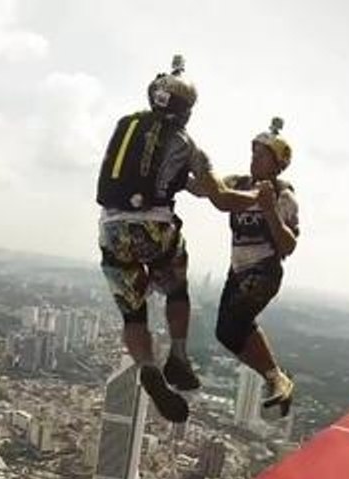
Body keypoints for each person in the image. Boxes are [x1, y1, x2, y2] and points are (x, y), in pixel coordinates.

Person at [95, 55, 262, 423]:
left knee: (133, 314)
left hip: (111, 229)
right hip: (155, 230)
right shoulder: (187, 145)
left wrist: (217, 183)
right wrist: (256, 196)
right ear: (187, 110)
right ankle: (179, 354)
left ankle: (147, 367)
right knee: (176, 289)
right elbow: (219, 197)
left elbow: (179, 182)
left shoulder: (127, 127)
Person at [213, 117, 300, 416]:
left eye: (262, 155)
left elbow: (288, 246)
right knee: (226, 332)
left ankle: (276, 378)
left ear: (277, 164)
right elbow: (211, 189)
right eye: (253, 153)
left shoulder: (284, 196)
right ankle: (276, 377)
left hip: (263, 270)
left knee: (237, 319)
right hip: (237, 270)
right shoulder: (239, 184)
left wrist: (269, 210)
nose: (254, 159)